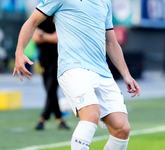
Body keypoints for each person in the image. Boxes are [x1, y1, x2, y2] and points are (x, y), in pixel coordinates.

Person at [13, 0, 140, 150]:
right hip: (73, 68)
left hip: (102, 71)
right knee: (91, 115)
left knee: (122, 128)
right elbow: (33, 21)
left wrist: (126, 74)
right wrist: (19, 52)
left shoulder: (105, 2)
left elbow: (111, 42)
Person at [32, 16, 70, 130]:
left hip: (57, 60)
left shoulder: (61, 18)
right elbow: (35, 37)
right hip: (44, 61)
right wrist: (47, 36)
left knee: (50, 89)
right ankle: (60, 121)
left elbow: (56, 38)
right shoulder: (42, 19)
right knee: (50, 91)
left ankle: (42, 119)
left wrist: (42, 35)